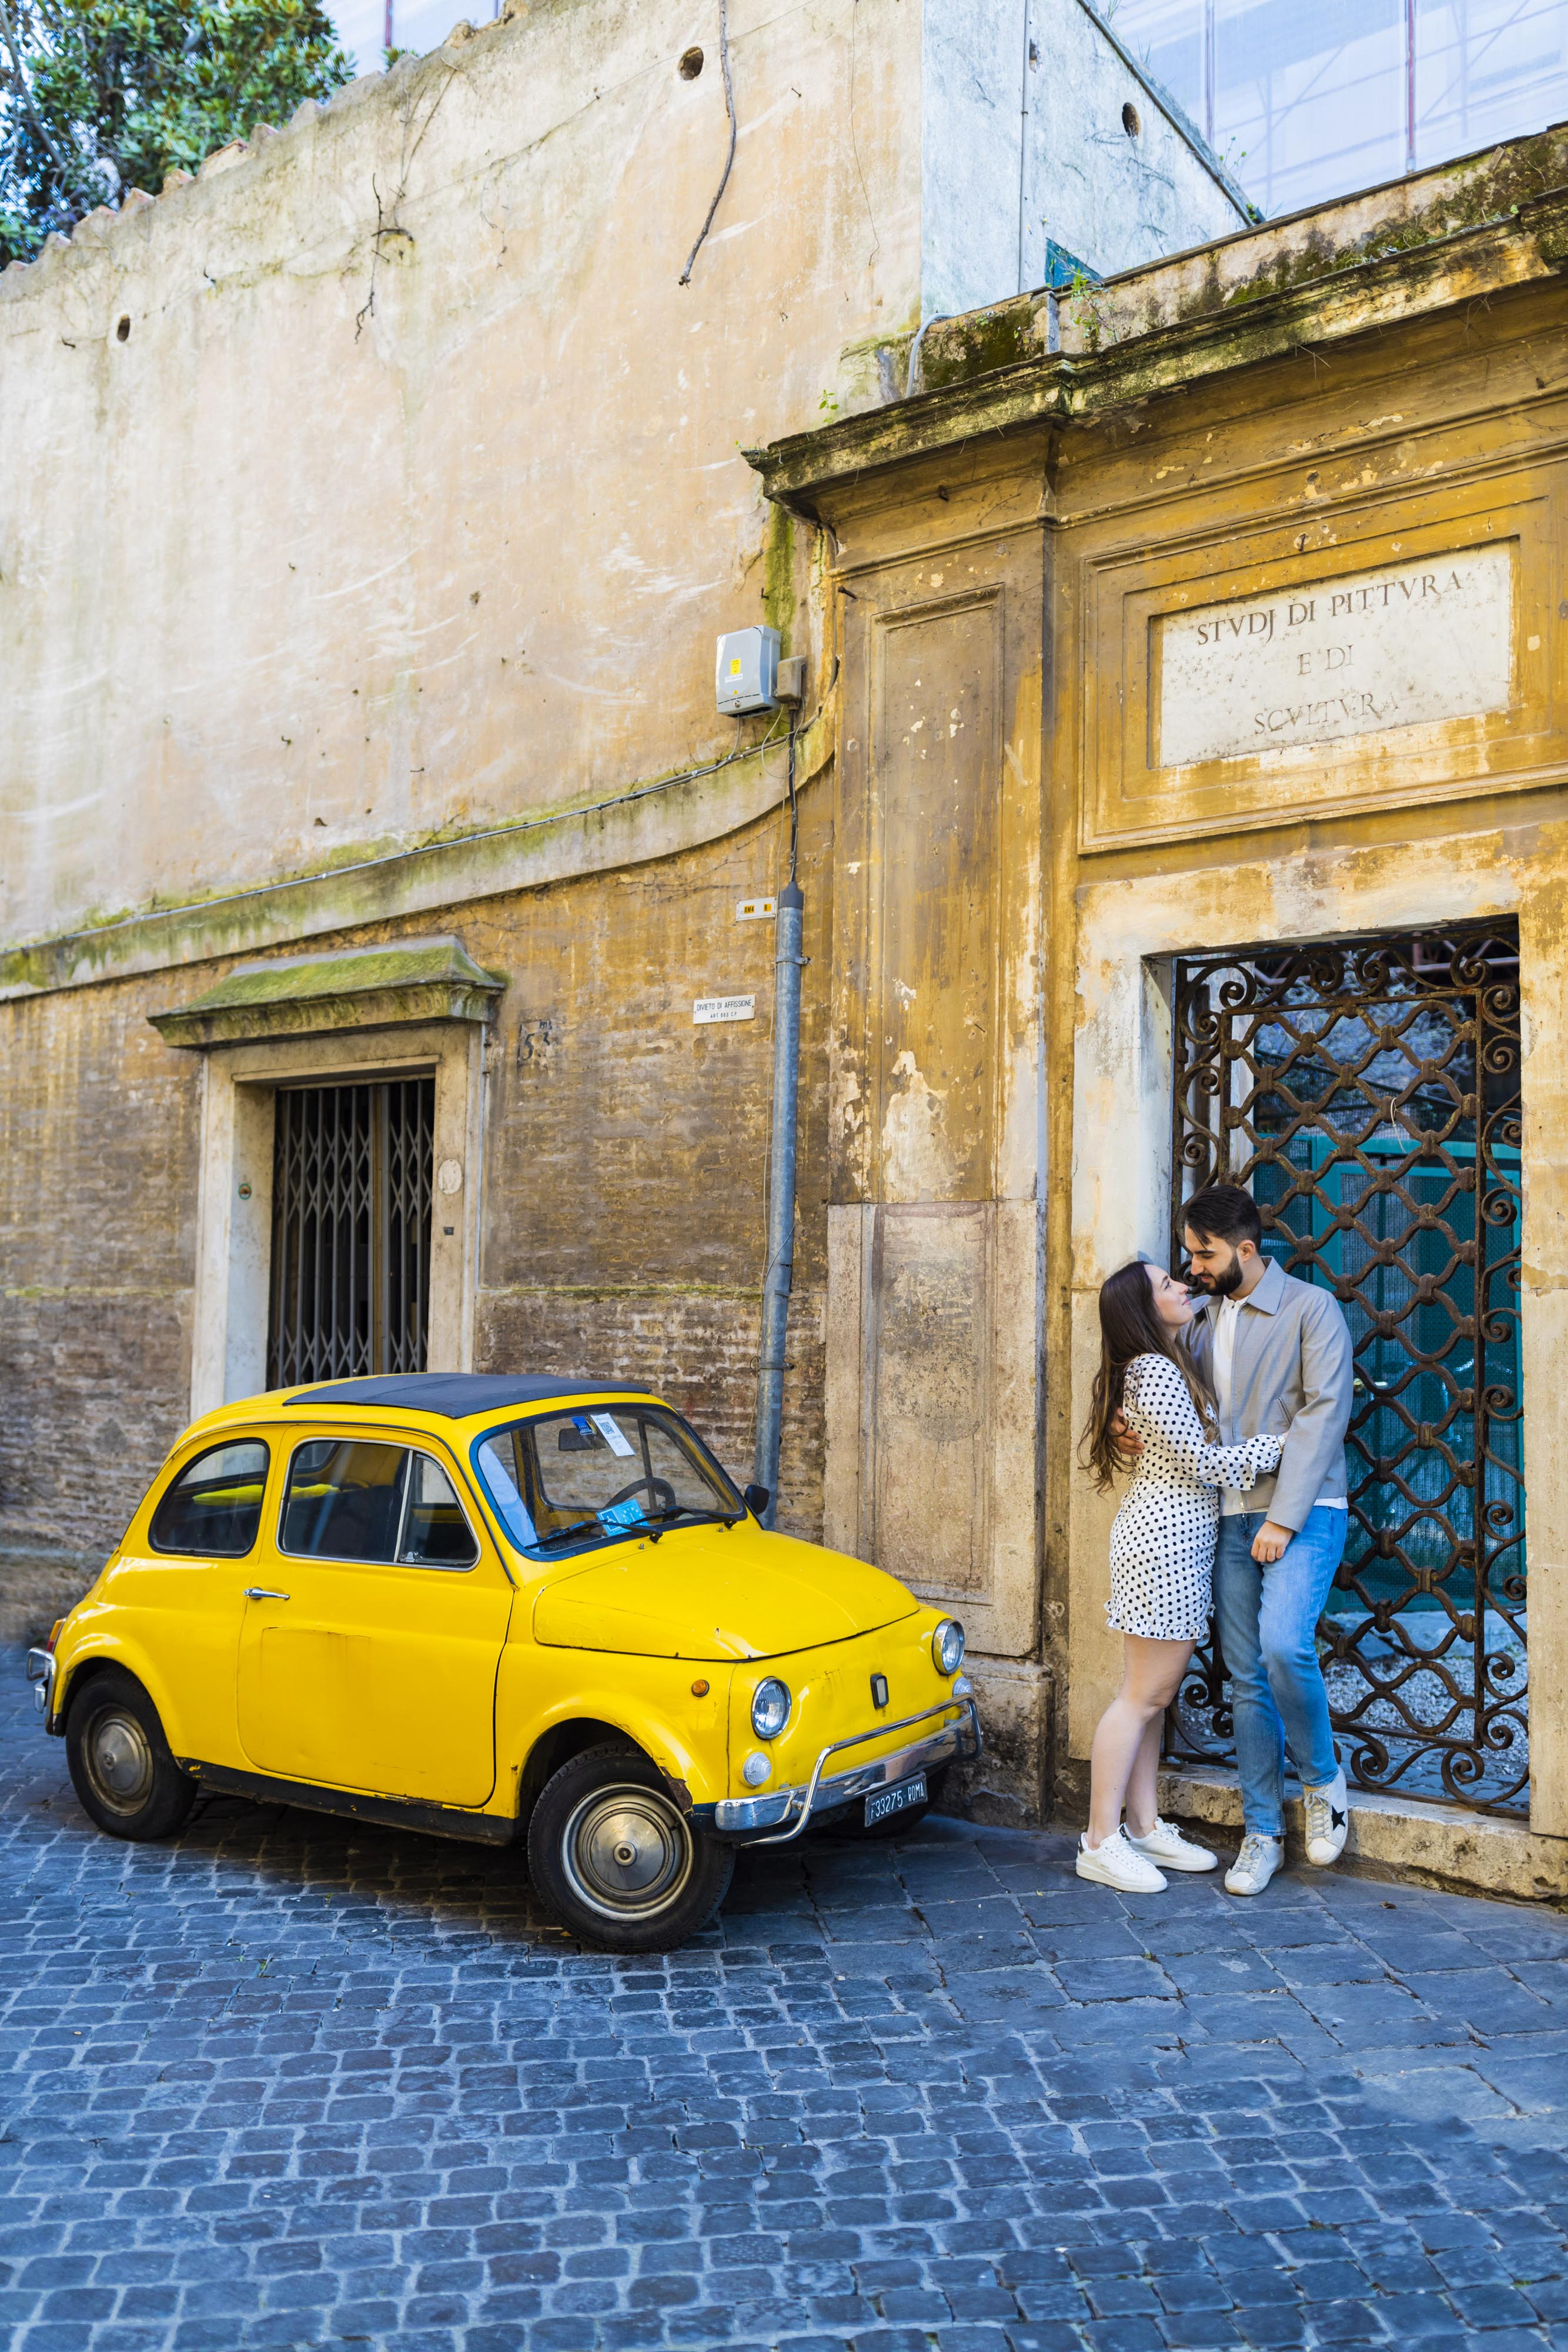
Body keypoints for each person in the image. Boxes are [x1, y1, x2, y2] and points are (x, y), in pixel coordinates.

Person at [1076, 1258, 1284, 1893]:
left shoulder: (1157, 1364)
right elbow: (1199, 1463)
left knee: (1153, 1697)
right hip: (1162, 1546)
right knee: (1141, 1696)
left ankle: (1142, 1827)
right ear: (1144, 1308)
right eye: (1167, 1284)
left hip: (1172, 1543)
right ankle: (1099, 1839)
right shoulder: (1154, 1369)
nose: (1183, 1286)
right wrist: (1278, 1446)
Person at [1181, 1183, 1355, 1899]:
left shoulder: (1311, 1308)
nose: (1193, 1265)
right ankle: (1261, 1831)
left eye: (1205, 1253)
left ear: (1246, 1251)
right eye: (1191, 1253)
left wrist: (1282, 1518)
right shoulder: (1197, 1319)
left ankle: (1322, 1780)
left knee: (1286, 1645)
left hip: (1306, 1507)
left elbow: (1325, 1411)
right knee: (1246, 1672)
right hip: (1226, 1515)